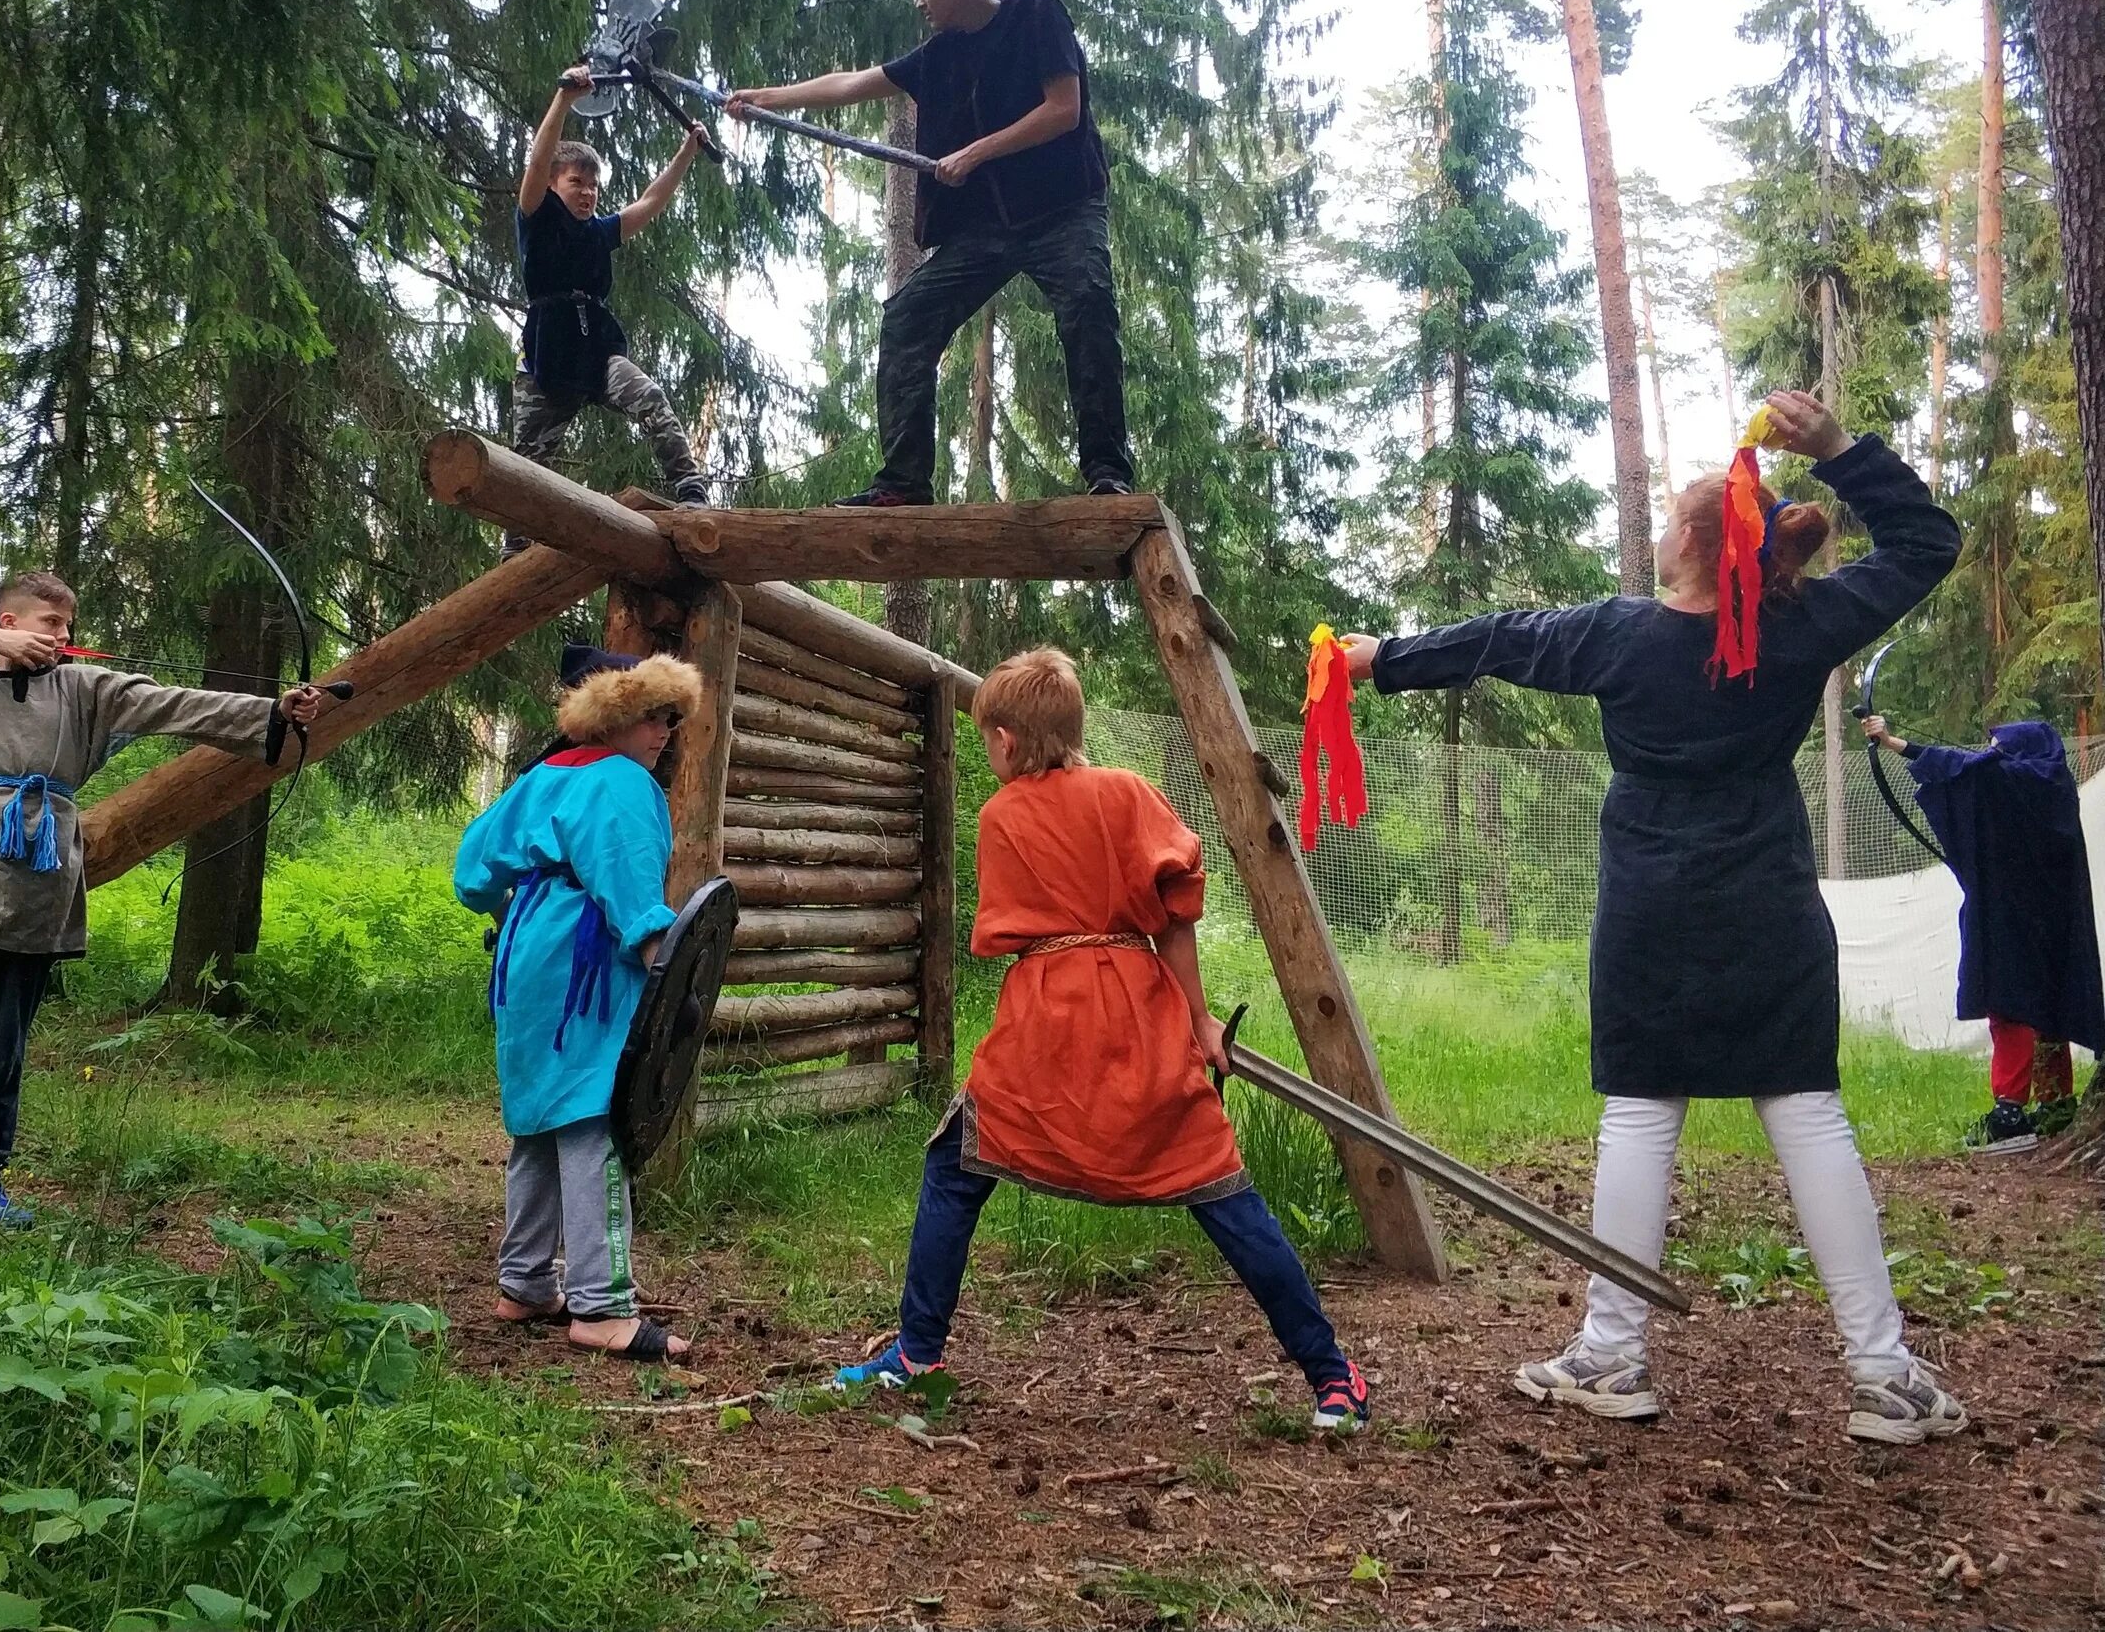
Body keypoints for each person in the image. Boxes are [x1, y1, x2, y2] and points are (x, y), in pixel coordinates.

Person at [1342, 390, 1968, 1446]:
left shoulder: (1614, 638)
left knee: (1639, 1115)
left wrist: (1380, 660)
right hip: (1766, 901)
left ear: (1682, 543)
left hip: (1648, 907)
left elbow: (1497, 639)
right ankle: (1883, 1374)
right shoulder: (1805, 623)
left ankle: (1610, 1353)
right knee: (1807, 1113)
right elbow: (1925, 540)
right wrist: (1835, 450)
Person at [834, 648, 1371, 1430]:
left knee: (956, 1164)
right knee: (1219, 1184)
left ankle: (918, 1351)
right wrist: (1198, 1019)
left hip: (1048, 1020)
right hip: (1139, 1004)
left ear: (1009, 741)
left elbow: (1009, 933)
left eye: (990, 741)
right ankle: (1332, 1375)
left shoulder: (1001, 816)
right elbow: (1176, 915)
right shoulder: (1130, 794)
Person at [0, 574, 329, 1225]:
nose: (63, 635)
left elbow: (174, 705)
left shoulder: (86, 688)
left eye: (67, 625)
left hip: (39, 896)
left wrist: (275, 712)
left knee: (7, 1050)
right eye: (50, 622)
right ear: (9, 619)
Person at [726, 0, 1135, 506]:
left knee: (1088, 308)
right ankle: (903, 482)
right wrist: (766, 98)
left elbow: (1063, 111)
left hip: (1063, 212)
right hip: (986, 230)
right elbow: (852, 84)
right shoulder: (939, 56)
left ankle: (1108, 475)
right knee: (907, 319)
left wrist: (975, 151)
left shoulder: (1037, 15)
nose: (918, 1)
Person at [453, 651, 703, 1363]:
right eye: (655, 715)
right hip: (586, 966)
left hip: (526, 956)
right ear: (618, 715)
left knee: (538, 1120)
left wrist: (528, 907)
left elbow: (472, 872)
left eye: (671, 717)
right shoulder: (622, 781)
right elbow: (631, 894)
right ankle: (601, 1305)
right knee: (597, 1120)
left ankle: (525, 1281)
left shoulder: (542, 775)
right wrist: (670, 988)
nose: (665, 731)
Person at [1860, 712, 2102, 1150]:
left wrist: (1894, 743)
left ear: (2025, 750)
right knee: (2048, 1006)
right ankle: (2055, 1103)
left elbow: (1967, 772)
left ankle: (2010, 1114)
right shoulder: (2048, 788)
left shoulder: (2024, 783)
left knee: (2011, 1008)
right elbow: (1973, 774)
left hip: (2013, 924)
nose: (1991, 756)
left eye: (2000, 748)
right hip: (2045, 924)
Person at [508, 65, 711, 544]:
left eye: (594, 185)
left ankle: (689, 485)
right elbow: (537, 163)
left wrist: (686, 153)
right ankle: (516, 544)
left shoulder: (598, 232)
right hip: (547, 354)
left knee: (649, 397)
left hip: (596, 350)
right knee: (526, 459)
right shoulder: (537, 216)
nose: (588, 192)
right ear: (556, 184)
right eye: (577, 182)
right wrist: (564, 100)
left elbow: (649, 202)